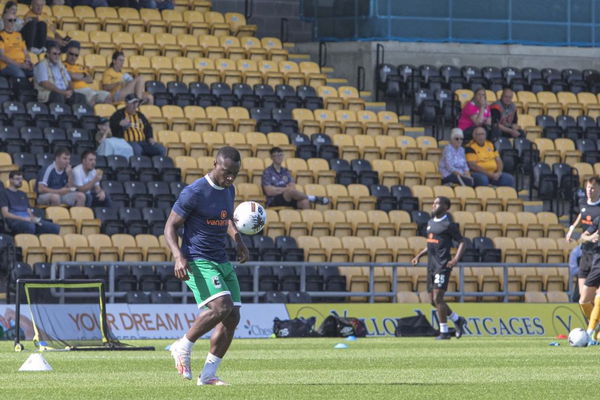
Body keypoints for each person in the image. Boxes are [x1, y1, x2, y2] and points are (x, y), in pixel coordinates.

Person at [164, 146, 249, 386]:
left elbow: (226, 218)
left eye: (235, 173)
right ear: (215, 165)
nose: (230, 177)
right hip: (197, 259)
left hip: (221, 258)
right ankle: (182, 346)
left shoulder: (229, 189)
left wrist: (239, 241)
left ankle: (209, 375)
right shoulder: (194, 192)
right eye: (226, 172)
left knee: (232, 317)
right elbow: (170, 227)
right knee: (222, 306)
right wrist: (178, 256)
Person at [411, 196, 467, 340]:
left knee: (438, 298)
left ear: (446, 207)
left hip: (442, 265)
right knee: (432, 300)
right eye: (433, 203)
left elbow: (462, 242)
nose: (434, 205)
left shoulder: (449, 224)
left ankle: (444, 332)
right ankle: (457, 320)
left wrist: (455, 259)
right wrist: (419, 255)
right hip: (431, 266)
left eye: (437, 203)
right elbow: (431, 243)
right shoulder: (429, 223)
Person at [566, 177, 600, 323]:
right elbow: (581, 214)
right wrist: (572, 228)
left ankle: (593, 328)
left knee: (595, 295)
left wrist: (592, 237)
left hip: (597, 254)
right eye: (587, 187)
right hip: (585, 252)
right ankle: (593, 327)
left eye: (592, 188)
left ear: (598, 189)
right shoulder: (582, 203)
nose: (589, 190)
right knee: (583, 297)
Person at [261, 146, 329, 209]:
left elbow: (293, 188)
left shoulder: (286, 171)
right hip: (274, 200)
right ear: (271, 157)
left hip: (288, 198)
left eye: (280, 155)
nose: (279, 157)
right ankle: (313, 198)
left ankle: (306, 220)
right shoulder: (267, 172)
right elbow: (269, 191)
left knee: (304, 202)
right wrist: (286, 189)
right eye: (276, 155)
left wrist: (277, 189)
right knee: (289, 191)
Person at [0, 170, 60, 234]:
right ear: (11, 180)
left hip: (28, 220)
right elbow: (5, 214)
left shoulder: (23, 194)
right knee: (30, 226)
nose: (20, 181)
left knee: (54, 227)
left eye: (21, 179)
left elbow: (28, 210)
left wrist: (33, 218)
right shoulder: (4, 193)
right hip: (15, 221)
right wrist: (24, 219)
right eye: (17, 179)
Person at [33, 41, 87, 105]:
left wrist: (70, 91)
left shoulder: (60, 65)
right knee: (58, 96)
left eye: (59, 54)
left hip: (63, 92)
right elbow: (45, 83)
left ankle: (77, 115)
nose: (57, 56)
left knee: (80, 97)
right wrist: (62, 92)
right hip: (49, 94)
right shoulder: (42, 65)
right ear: (48, 54)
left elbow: (69, 81)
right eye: (54, 54)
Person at [0, 4, 32, 79]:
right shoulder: (1, 35)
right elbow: (2, 56)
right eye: (10, 20)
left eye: (14, 20)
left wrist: (28, 60)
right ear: (4, 21)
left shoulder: (19, 35)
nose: (12, 23)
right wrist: (19, 65)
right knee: (20, 74)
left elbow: (26, 52)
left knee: (36, 71)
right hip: (7, 65)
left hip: (22, 63)